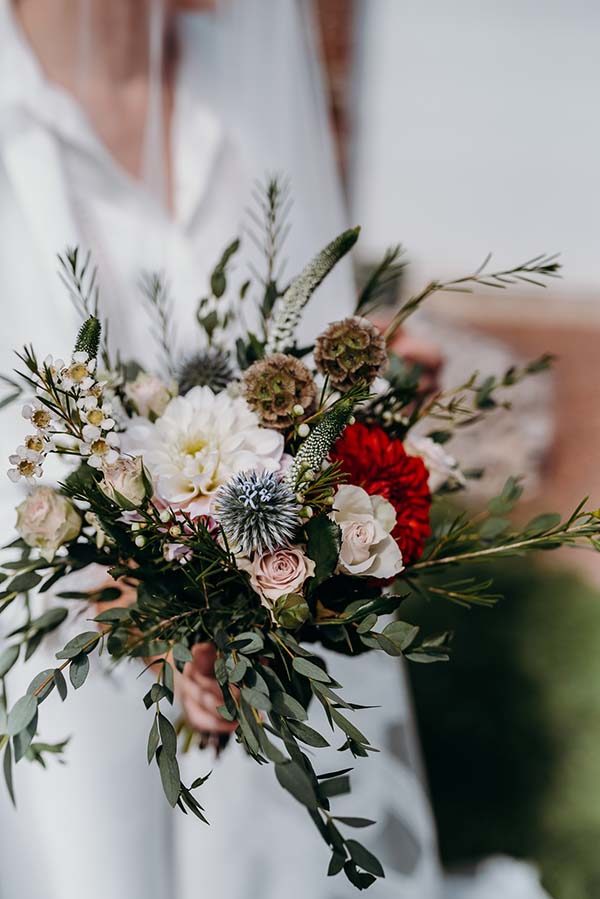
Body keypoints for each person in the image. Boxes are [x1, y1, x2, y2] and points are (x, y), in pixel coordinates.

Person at [0, 2, 546, 898]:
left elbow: (290, 352)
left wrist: (362, 398)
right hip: (58, 649)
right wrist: (135, 600)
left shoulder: (241, 90)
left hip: (254, 633)